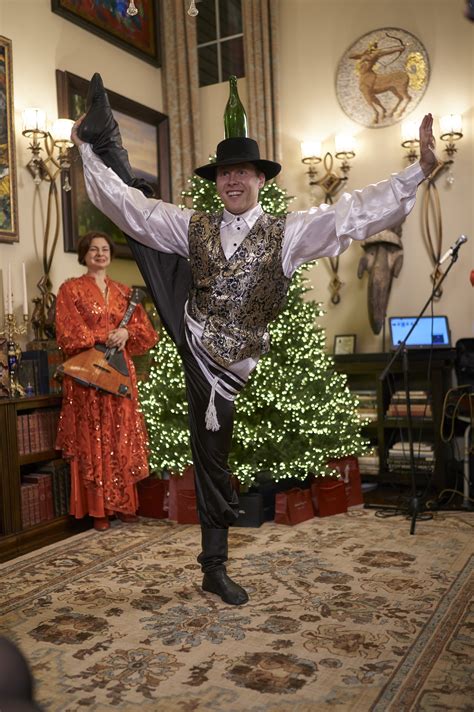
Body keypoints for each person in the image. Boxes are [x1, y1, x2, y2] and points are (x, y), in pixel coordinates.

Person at [70, 74, 437, 604]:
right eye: (225, 173)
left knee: (214, 452)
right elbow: (132, 208)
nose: (233, 181)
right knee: (145, 234)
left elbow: (351, 215)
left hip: (232, 362)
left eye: (242, 172)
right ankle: (213, 567)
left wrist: (416, 174)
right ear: (216, 181)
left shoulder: (288, 232)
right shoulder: (193, 225)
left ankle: (213, 563)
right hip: (190, 327)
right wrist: (86, 152)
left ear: (259, 180)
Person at [55, 230, 158, 531]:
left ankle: (124, 504)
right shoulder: (70, 290)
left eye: (105, 249)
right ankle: (98, 509)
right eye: (93, 249)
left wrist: (126, 333)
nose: (100, 254)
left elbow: (147, 334)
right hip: (87, 375)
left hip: (120, 372)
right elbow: (67, 333)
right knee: (95, 437)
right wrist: (103, 336)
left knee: (121, 436)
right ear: (84, 254)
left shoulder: (126, 291)